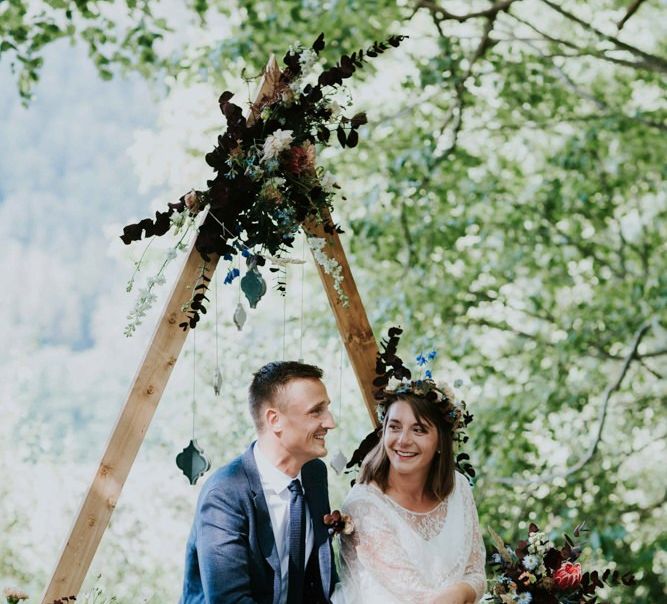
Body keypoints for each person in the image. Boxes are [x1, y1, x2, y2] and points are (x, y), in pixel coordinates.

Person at [180, 360, 338, 604]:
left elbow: (318, 578)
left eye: (327, 409)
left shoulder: (314, 473)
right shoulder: (224, 493)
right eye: (316, 411)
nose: (330, 422)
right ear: (274, 420)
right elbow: (229, 600)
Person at [333, 381, 486, 604]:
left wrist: (462, 591)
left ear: (441, 441)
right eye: (394, 427)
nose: (403, 440)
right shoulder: (364, 506)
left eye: (419, 429)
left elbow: (476, 572)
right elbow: (418, 597)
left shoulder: (459, 487)